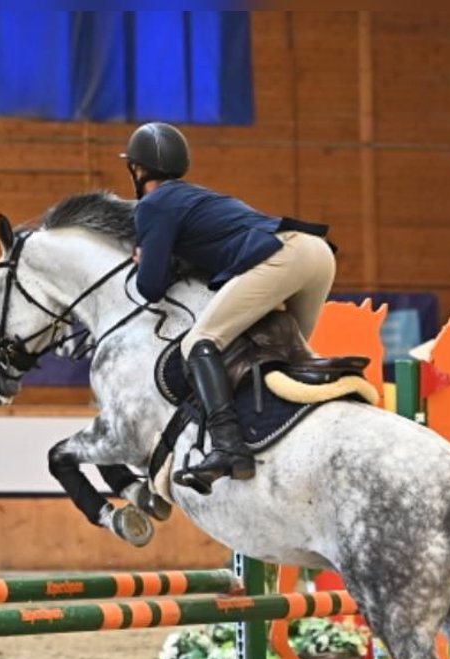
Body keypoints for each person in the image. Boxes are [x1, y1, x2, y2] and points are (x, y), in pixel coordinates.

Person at [121, 121, 337, 493]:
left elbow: (151, 288)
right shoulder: (197, 197)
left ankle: (228, 448)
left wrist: (147, 261)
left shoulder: (153, 206)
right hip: (317, 253)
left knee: (198, 343)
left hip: (282, 256)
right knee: (285, 357)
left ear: (137, 170)